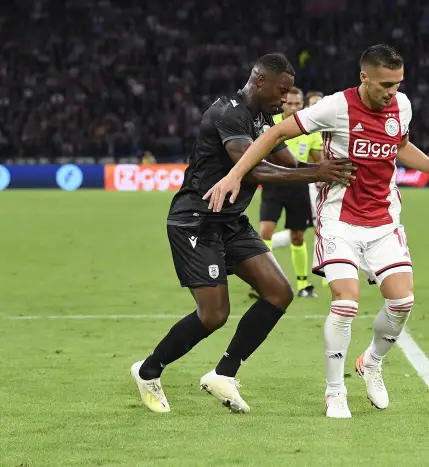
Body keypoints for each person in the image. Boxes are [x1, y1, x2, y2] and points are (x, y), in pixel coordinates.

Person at [203, 44, 429, 418]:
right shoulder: (336, 107)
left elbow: (400, 145)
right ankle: (335, 392)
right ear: (364, 77)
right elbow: (275, 134)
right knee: (346, 302)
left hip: (384, 219)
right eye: (385, 84)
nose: (391, 92)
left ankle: (372, 363)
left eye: (397, 84)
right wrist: (235, 174)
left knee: (402, 302)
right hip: (339, 219)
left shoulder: (403, 105)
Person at [130, 54, 355, 414]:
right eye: (281, 91)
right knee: (214, 314)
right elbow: (250, 170)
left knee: (279, 292)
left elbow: (289, 163)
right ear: (260, 81)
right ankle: (147, 370)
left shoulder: (264, 116)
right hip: (196, 221)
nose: (285, 99)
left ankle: (224, 373)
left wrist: (322, 150)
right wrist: (318, 174)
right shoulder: (228, 113)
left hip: (230, 221)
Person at [251, 87, 323, 300]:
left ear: (302, 104)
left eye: (297, 104)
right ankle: (264, 282)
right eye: (289, 103)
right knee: (265, 231)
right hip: (272, 183)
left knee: (297, 236)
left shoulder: (310, 128)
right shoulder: (269, 123)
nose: (293, 107)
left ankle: (303, 284)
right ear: (283, 103)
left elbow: (318, 161)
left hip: (298, 186)